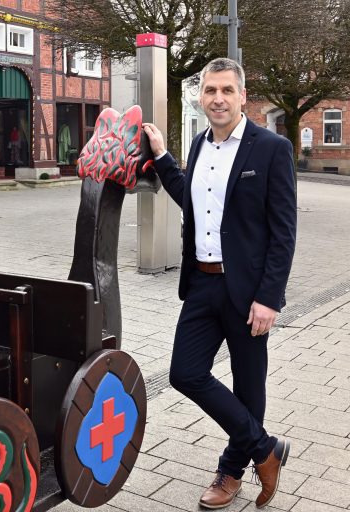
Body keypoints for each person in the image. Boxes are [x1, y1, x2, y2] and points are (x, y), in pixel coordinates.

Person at [143, 58, 297, 510]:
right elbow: (192, 198)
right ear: (200, 96)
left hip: (248, 291)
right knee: (184, 373)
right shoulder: (199, 145)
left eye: (227, 90)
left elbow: (284, 231)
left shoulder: (270, 149)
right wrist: (161, 157)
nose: (218, 99)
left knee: (249, 389)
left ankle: (231, 472)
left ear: (242, 96)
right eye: (210, 90)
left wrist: (269, 298)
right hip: (202, 285)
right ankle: (265, 448)